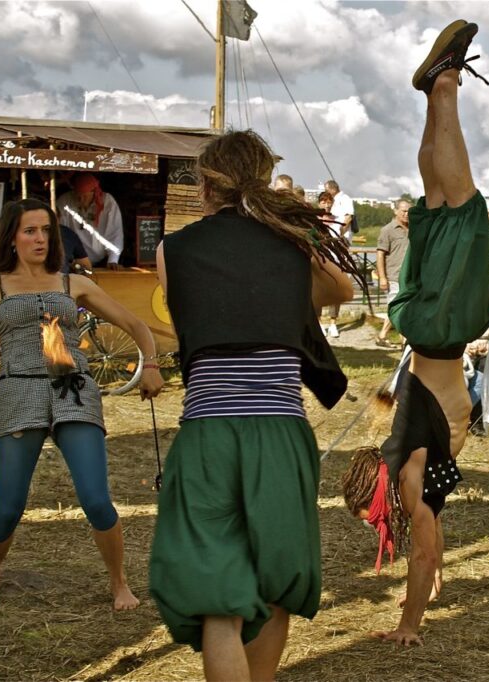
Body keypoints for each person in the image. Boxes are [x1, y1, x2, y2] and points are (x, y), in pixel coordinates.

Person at [149, 129, 362, 681]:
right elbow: (343, 292)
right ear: (265, 180)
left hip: (208, 432)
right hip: (279, 431)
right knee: (275, 586)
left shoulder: (172, 250)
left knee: (217, 596)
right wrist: (295, 235)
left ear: (204, 185)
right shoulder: (293, 247)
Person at [341, 18, 489, 646]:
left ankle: (447, 87)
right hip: (429, 325)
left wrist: (410, 621)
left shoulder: (412, 474)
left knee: (457, 205)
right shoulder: (406, 457)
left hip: (444, 326)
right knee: (436, 200)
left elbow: (426, 549)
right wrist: (426, 585)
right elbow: (431, 548)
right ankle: (436, 91)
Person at [0, 198, 164, 609]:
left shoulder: (71, 283)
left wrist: (149, 363)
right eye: (30, 231)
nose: (40, 238)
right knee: (8, 507)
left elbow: (135, 324)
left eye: (46, 230)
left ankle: (119, 584)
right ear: (12, 236)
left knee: (96, 498)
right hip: (18, 390)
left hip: (73, 388)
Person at [57, 173, 124, 270]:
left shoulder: (108, 203)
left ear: (94, 193)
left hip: (102, 260)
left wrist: (113, 259)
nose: (80, 200)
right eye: (78, 196)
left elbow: (115, 233)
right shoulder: (64, 201)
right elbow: (61, 232)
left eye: (84, 196)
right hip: (74, 261)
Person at [376, 199, 412, 347]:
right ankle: (401, 340)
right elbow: (380, 255)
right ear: (395, 211)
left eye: (409, 211)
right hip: (393, 276)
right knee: (396, 307)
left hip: (409, 278)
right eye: (403, 211)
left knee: (404, 308)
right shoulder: (388, 230)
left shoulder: (414, 229)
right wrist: (382, 278)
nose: (406, 214)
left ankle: (385, 336)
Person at [320, 184, 353, 338]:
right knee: (319, 292)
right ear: (319, 203)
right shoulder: (314, 219)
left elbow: (343, 237)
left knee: (335, 291)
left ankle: (333, 323)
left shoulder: (338, 220)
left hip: (335, 259)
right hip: (319, 260)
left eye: (329, 201)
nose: (326, 204)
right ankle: (319, 322)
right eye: (323, 201)